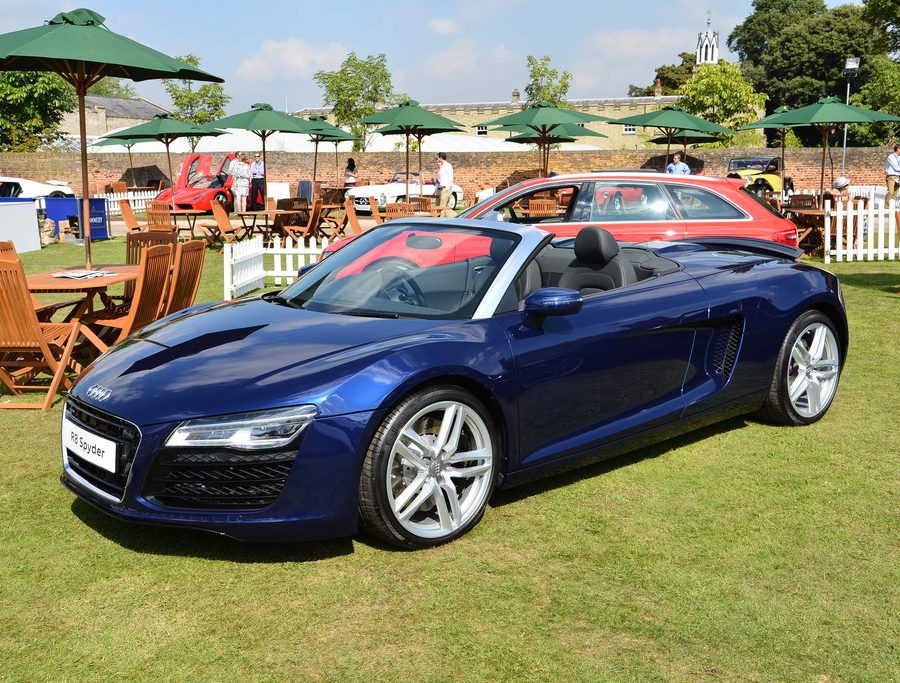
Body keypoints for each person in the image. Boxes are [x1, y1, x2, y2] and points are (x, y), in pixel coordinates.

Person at [435, 152, 455, 217]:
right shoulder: (441, 167)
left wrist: (447, 188)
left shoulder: (448, 166)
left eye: (438, 158)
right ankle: (453, 216)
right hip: (440, 188)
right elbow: (441, 179)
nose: (437, 159)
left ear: (441, 158)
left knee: (442, 207)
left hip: (445, 189)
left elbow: (450, 178)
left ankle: (441, 221)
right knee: (438, 206)